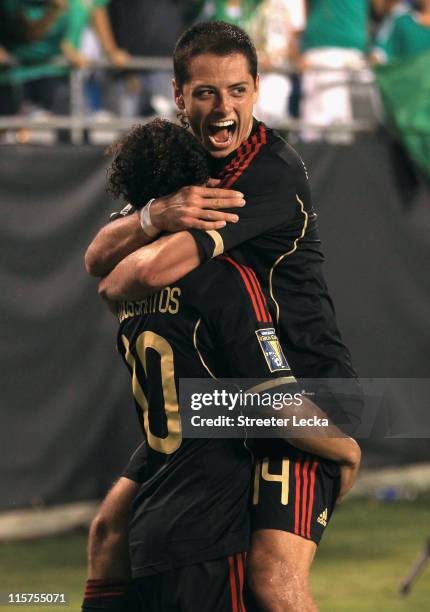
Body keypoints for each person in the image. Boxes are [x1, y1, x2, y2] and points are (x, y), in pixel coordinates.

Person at [85, 22, 362, 611]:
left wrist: (145, 238)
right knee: (109, 532)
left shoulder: (269, 173)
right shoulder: (181, 173)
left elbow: (137, 275)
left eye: (237, 91)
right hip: (226, 393)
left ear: (257, 90)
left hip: (300, 389)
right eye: (207, 92)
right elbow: (97, 260)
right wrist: (154, 218)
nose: (223, 108)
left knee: (273, 582)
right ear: (180, 95)